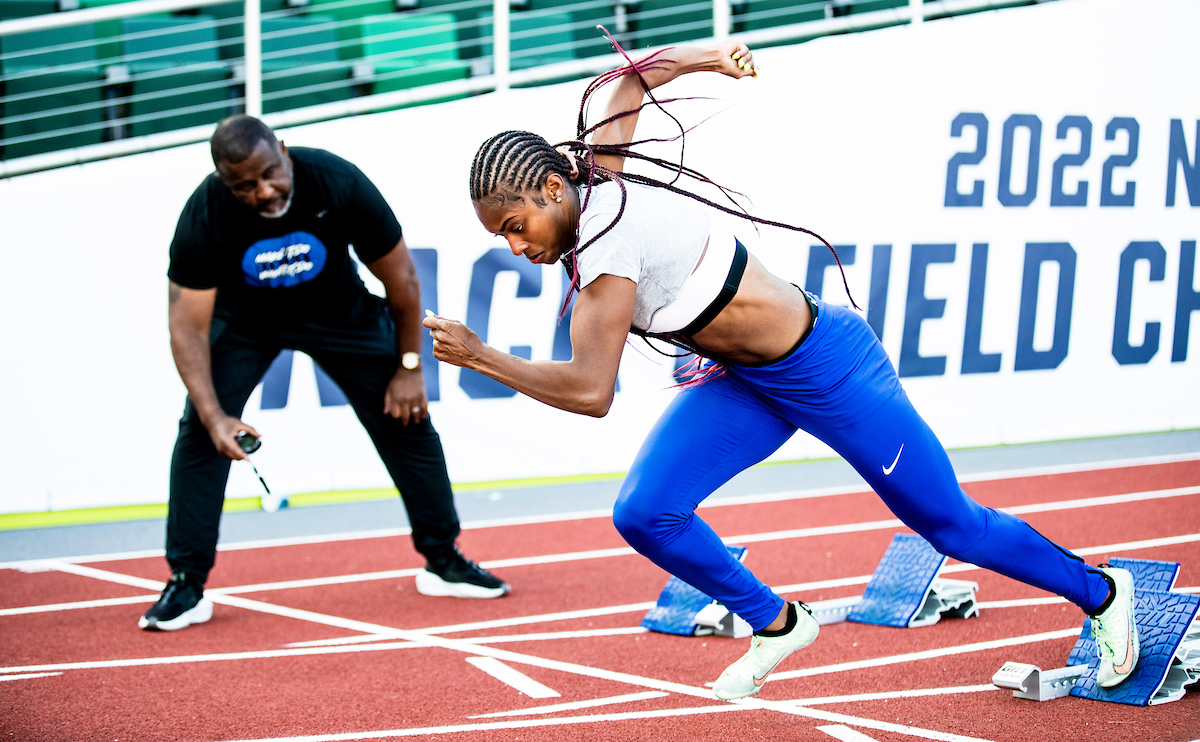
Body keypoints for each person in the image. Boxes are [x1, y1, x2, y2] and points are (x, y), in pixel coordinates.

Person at [421, 41, 1140, 699]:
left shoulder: (607, 253)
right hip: (745, 384)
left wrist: (480, 353)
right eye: (499, 237)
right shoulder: (593, 180)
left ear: (551, 190)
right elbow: (633, 80)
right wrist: (712, 55)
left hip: (830, 368)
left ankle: (1102, 592)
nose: (514, 247)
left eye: (513, 227)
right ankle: (776, 623)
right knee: (645, 513)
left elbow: (590, 391)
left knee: (952, 527)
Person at [142, 115, 509, 632]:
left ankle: (443, 558)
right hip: (246, 325)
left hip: (340, 313)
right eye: (244, 185)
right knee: (204, 433)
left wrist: (408, 368)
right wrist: (213, 413)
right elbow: (186, 328)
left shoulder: (336, 180)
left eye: (270, 173)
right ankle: (186, 581)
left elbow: (401, 277)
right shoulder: (206, 212)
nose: (263, 191)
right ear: (224, 180)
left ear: (284, 151)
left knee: (406, 418)